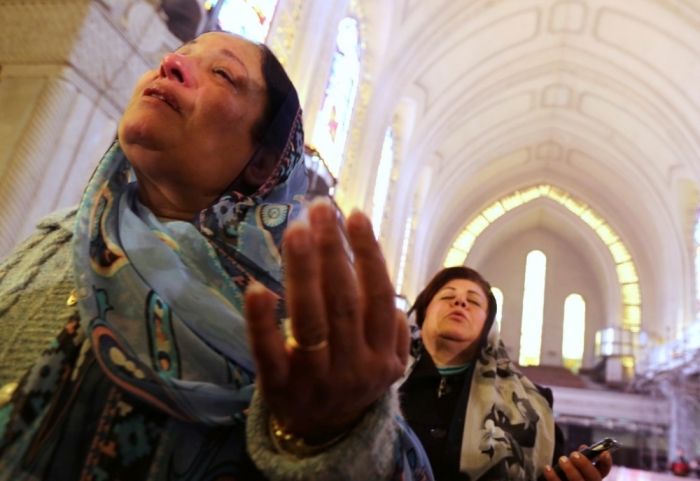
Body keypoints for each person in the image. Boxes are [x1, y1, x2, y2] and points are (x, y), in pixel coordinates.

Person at [0, 31, 432, 480]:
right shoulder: (57, 239)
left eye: (223, 73)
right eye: (176, 55)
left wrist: (334, 432)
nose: (171, 64)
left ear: (265, 161)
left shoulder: (302, 323)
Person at [399, 266, 613, 480]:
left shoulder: (535, 408)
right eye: (447, 296)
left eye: (473, 301)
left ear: (489, 324)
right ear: (422, 314)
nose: (460, 302)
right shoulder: (382, 384)